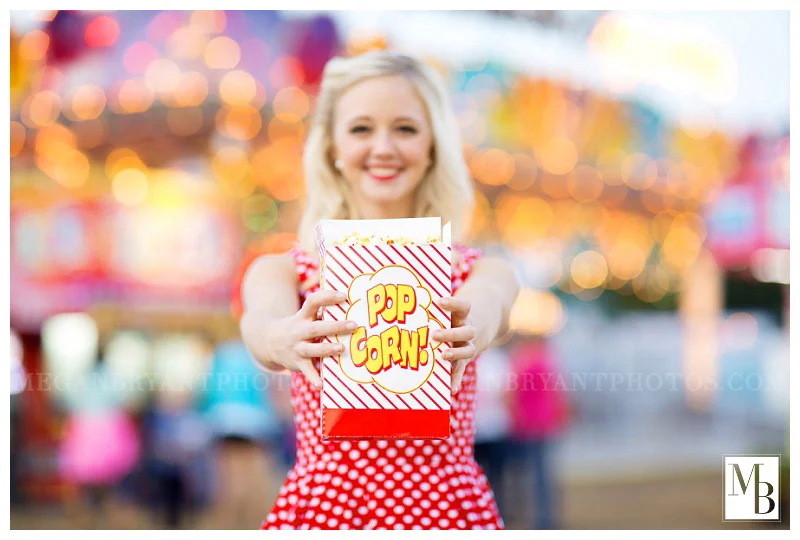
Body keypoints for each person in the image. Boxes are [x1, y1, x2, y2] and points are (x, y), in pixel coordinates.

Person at [239, 51, 520, 530]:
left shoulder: (475, 270)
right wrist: (279, 338)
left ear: (434, 145)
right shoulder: (286, 271)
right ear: (332, 146)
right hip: (328, 506)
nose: (384, 147)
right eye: (361, 129)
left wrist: (474, 322)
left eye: (406, 129)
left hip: (443, 507)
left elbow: (493, 302)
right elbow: (260, 323)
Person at [507, 337, 569, 529]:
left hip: (527, 425)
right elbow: (558, 394)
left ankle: (537, 518)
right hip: (543, 424)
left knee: (531, 474)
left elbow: (511, 394)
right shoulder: (545, 362)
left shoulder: (520, 363)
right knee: (542, 474)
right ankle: (544, 518)